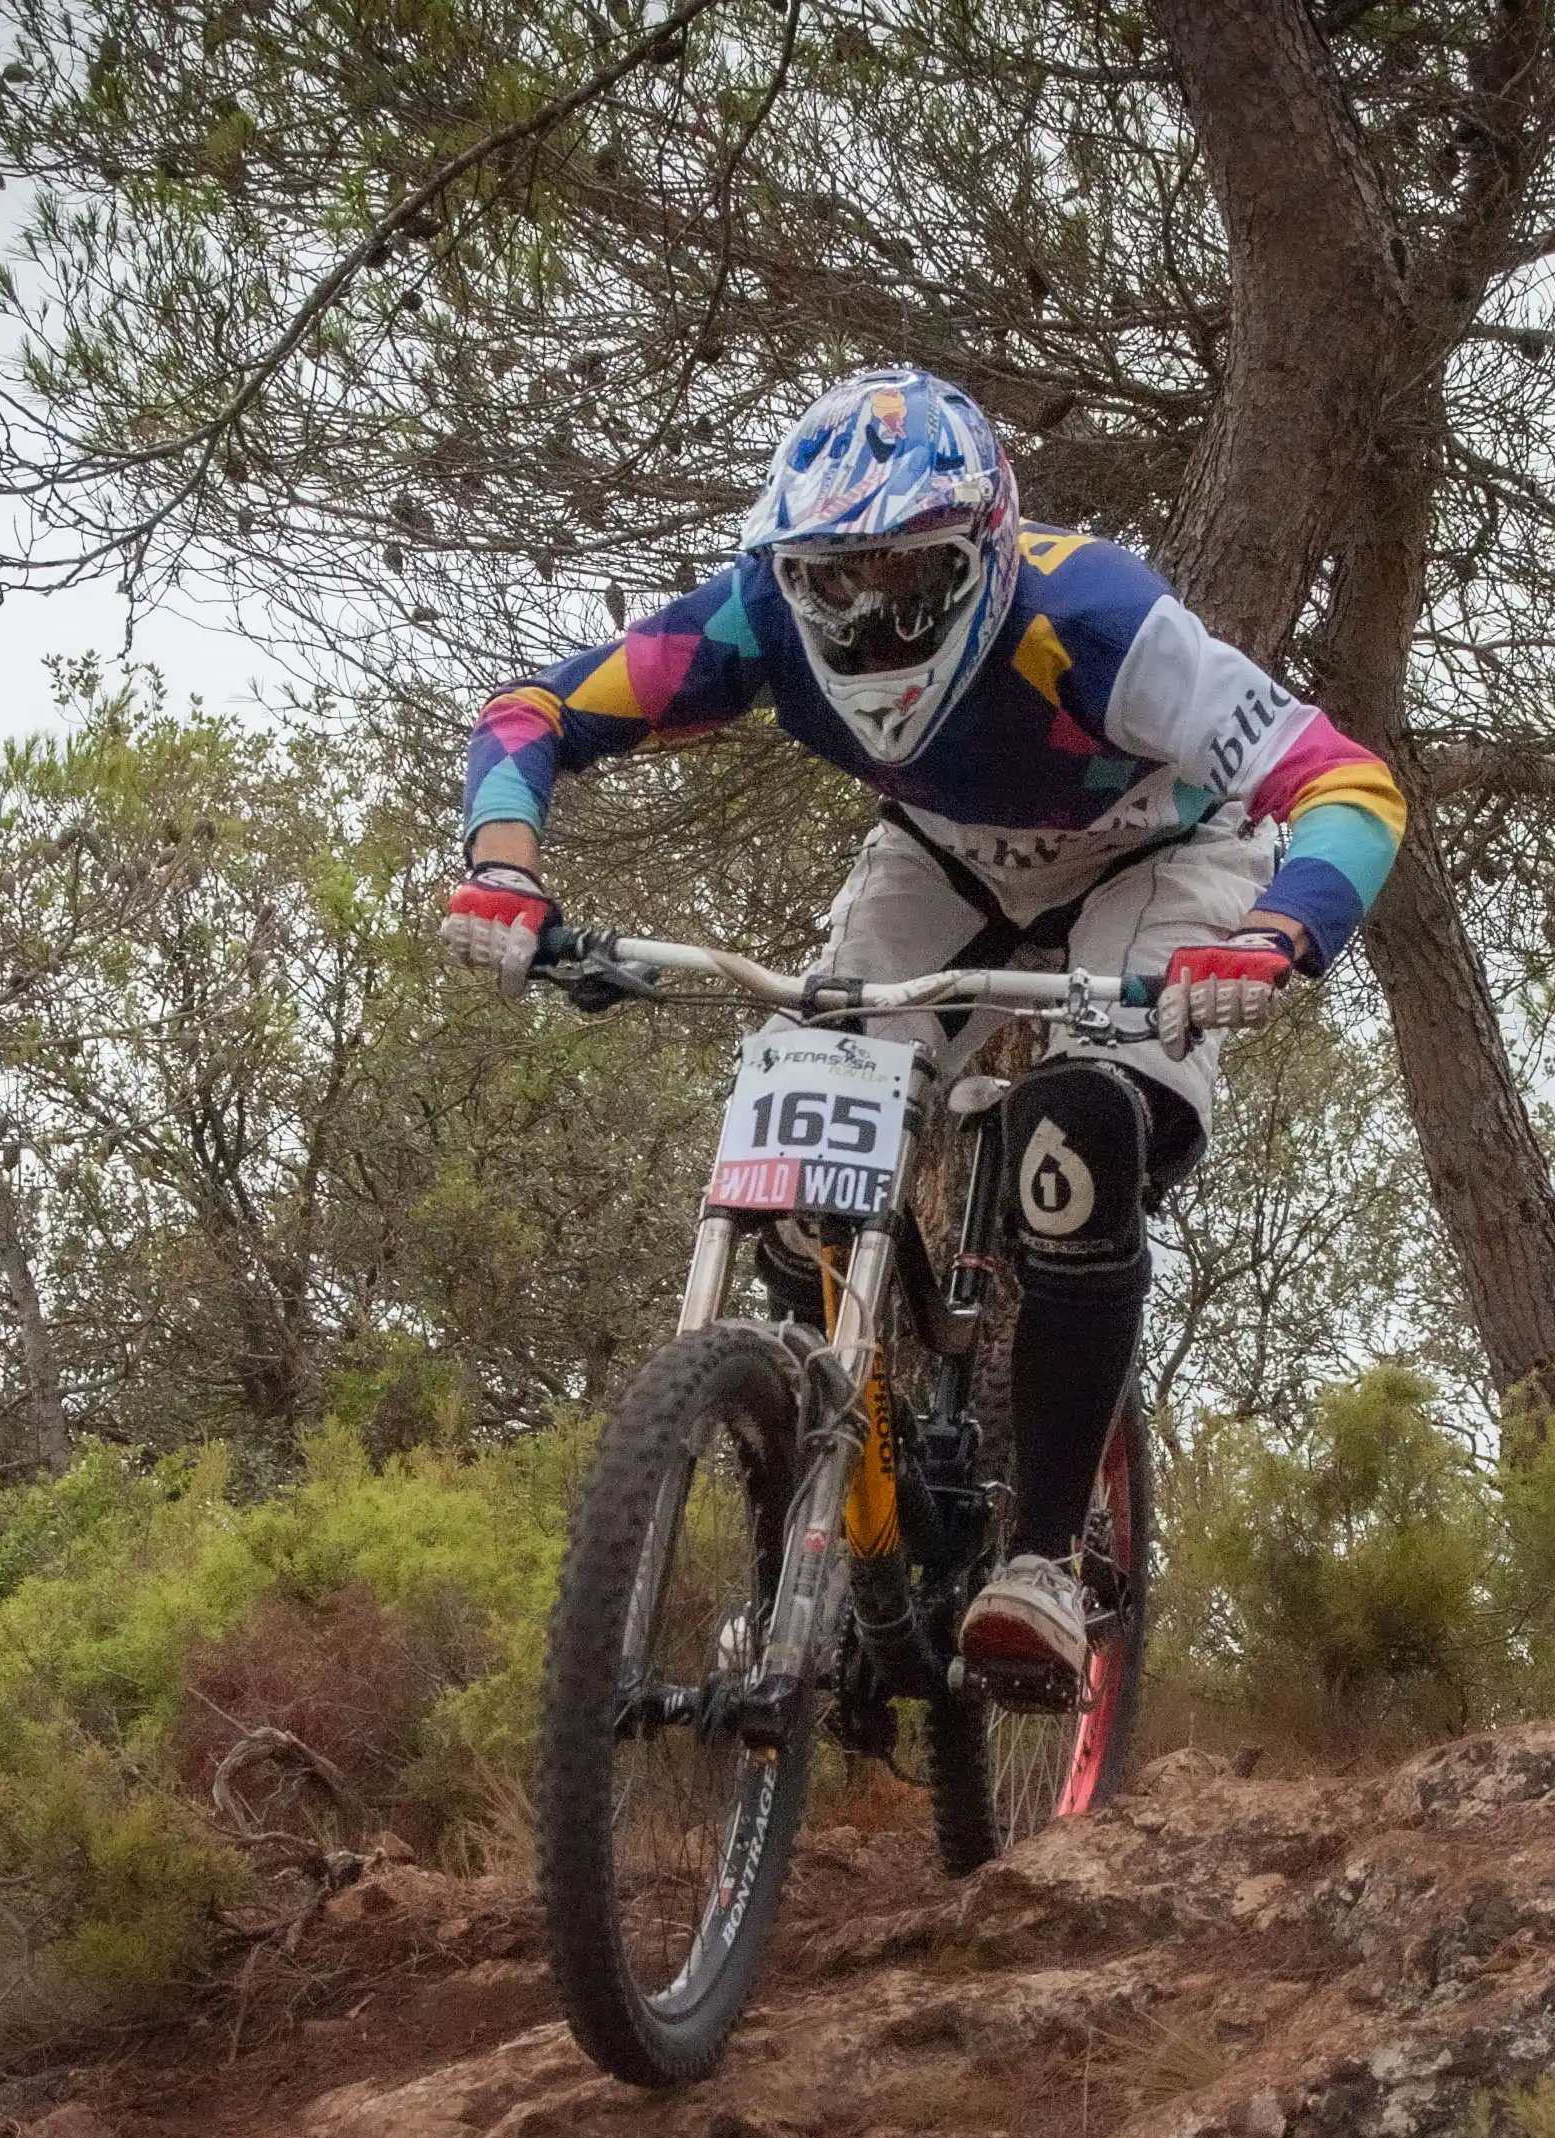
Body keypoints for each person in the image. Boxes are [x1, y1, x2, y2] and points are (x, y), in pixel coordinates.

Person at [440, 365, 1402, 1691]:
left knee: (1076, 1142)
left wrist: (1281, 932)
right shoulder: (754, 620)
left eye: (912, 578)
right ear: (790, 569)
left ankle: (1044, 1561)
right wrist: (504, 866)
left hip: (1157, 858)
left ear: (988, 557)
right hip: (945, 858)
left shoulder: (1100, 617)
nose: (871, 613)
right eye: (835, 580)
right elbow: (532, 712)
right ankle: (827, 1534)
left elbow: (1344, 782)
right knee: (797, 1148)